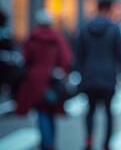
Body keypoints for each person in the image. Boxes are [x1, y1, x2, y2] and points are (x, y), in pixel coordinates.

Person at [74, 0, 121, 150]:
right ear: (110, 9)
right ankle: (106, 144)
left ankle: (89, 139)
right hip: (108, 76)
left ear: (97, 8)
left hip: (89, 76)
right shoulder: (114, 28)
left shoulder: (84, 28)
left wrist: (76, 72)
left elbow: (78, 54)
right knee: (108, 111)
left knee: (90, 109)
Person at [15, 9, 73, 150]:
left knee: (41, 110)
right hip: (52, 78)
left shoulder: (32, 37)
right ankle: (50, 142)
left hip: (35, 79)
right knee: (51, 109)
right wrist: (63, 72)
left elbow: (24, 58)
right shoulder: (56, 37)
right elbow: (66, 58)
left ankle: (47, 142)